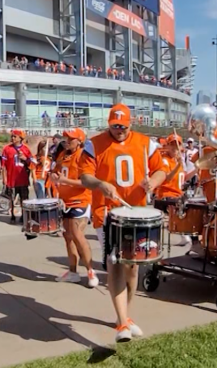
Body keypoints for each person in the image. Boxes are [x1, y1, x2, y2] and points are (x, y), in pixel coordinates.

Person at [79, 104, 168, 343]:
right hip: (106, 213)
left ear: (130, 125)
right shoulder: (94, 144)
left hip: (136, 212)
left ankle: (126, 316)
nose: (119, 130)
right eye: (115, 126)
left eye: (123, 126)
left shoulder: (145, 143)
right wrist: (99, 184)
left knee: (133, 266)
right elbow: (85, 176)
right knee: (115, 262)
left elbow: (161, 169)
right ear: (109, 124)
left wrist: (154, 182)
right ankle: (121, 322)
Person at [49, 128, 98, 287]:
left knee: (77, 235)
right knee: (68, 236)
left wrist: (65, 181)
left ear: (79, 141)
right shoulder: (63, 155)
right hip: (65, 201)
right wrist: (53, 176)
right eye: (66, 138)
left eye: (71, 139)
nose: (67, 141)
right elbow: (56, 173)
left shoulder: (83, 157)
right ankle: (73, 272)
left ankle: (91, 271)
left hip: (80, 201)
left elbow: (87, 182)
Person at [1, 128, 33, 223]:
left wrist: (25, 158)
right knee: (11, 198)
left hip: (22, 178)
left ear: (20, 138)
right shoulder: (7, 149)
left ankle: (24, 215)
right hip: (11, 179)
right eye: (12, 136)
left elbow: (32, 163)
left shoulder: (26, 149)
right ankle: (12, 215)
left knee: (24, 198)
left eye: (15, 136)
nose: (13, 138)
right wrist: (4, 178)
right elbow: (3, 165)